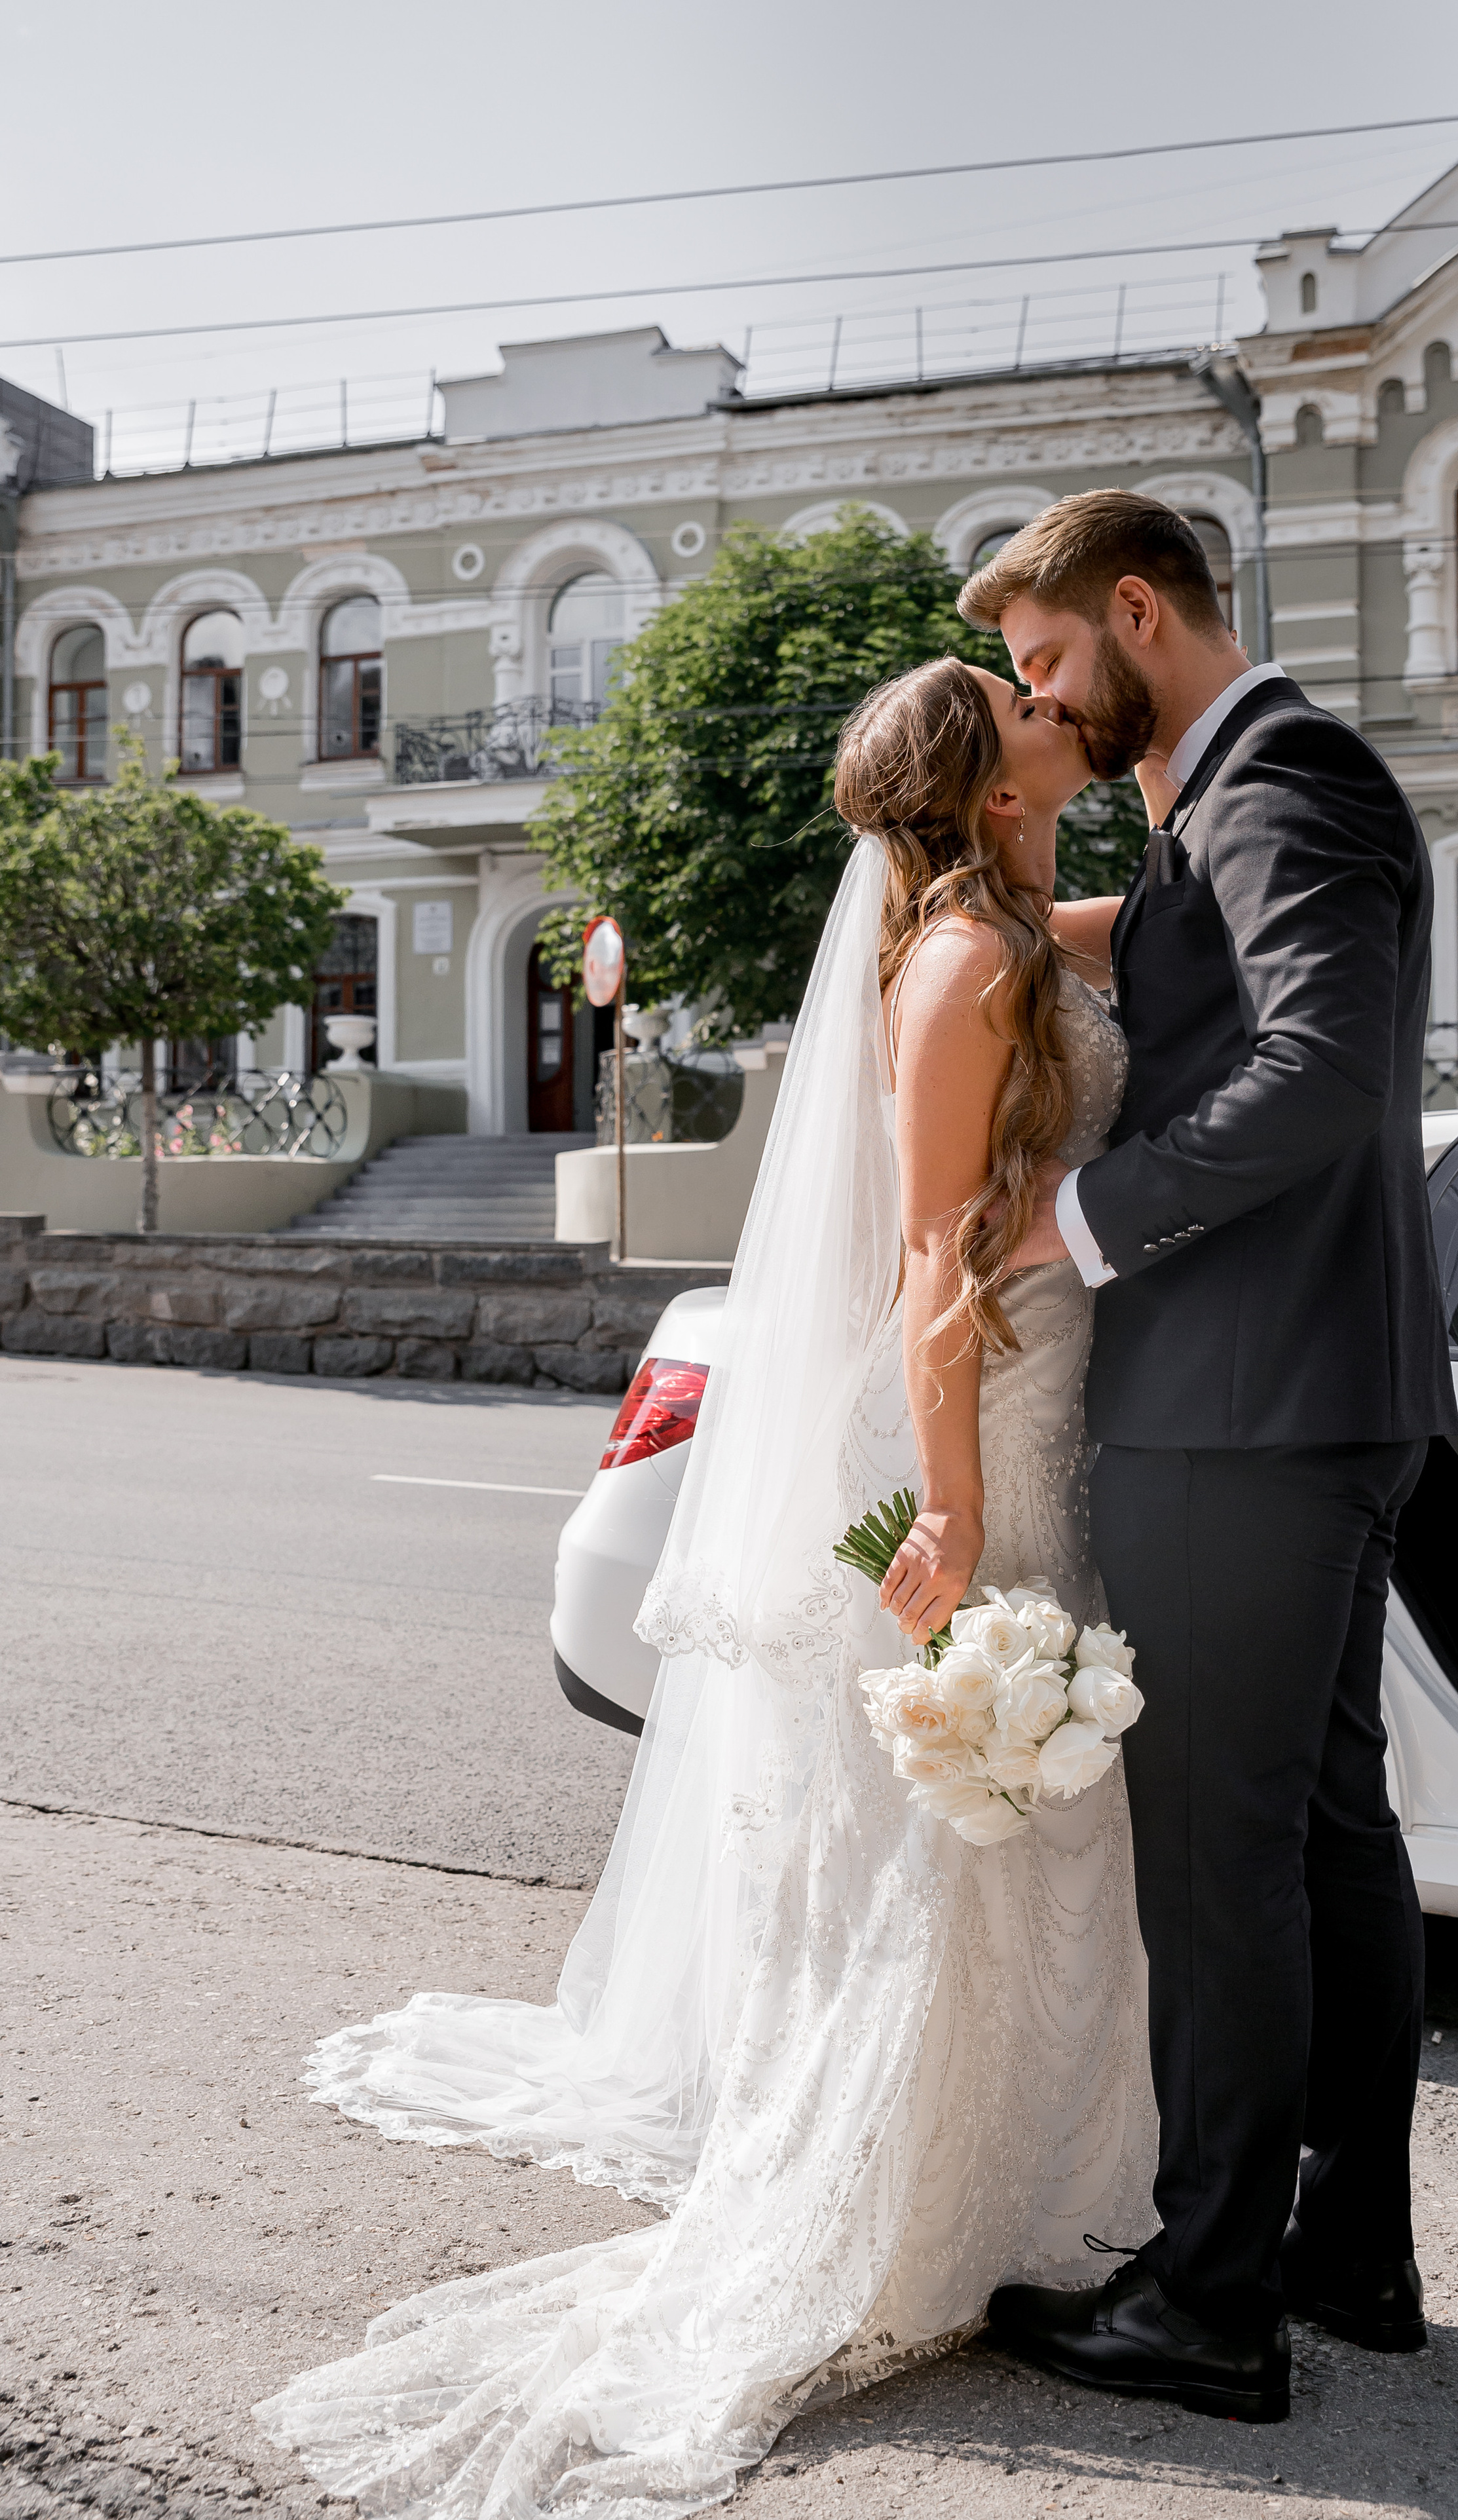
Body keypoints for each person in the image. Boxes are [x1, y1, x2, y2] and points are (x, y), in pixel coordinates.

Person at [255, 649, 1159, 2518]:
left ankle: (1024, 2180)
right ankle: (918, 2203)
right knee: (965, 1812)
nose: (1059, 702)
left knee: (1019, 1822)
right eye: (1029, 706)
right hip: (967, 1420)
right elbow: (930, 1251)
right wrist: (959, 1512)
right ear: (993, 789)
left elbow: (1150, 916)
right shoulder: (969, 965)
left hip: (1038, 1397)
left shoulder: (1002, 920)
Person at [954, 490, 1457, 2409]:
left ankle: (1214, 2299)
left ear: (1137, 613)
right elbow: (1195, 960)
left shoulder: (1278, 776)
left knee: (1220, 1857)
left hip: (1246, 1412)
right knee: (1325, 1835)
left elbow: (1319, 1064)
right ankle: (1352, 2258)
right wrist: (980, 896)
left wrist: (1074, 1226)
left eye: (1048, 663)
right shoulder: (1234, 800)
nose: (1041, 700)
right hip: (1325, 1395)